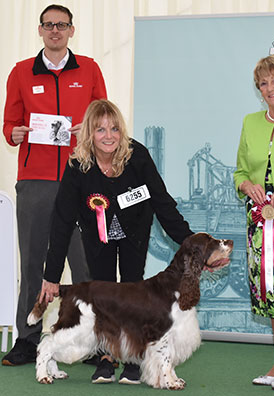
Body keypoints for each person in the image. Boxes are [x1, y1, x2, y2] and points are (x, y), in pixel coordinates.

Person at [39, 99, 194, 385]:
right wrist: (50, 276)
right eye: (100, 130)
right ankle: (107, 357)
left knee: (134, 289)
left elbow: (163, 204)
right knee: (103, 289)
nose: (108, 136)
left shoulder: (138, 157)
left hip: (135, 228)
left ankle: (133, 360)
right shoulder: (77, 165)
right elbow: (62, 221)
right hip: (97, 235)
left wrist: (191, 243)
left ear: (121, 131)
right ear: (89, 133)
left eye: (114, 129)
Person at [2, 4, 107, 366]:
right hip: (35, 182)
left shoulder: (90, 69)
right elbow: (9, 125)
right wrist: (13, 133)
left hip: (82, 180)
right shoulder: (19, 72)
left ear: (71, 30)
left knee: (86, 265)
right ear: (40, 30)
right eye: (48, 25)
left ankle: (94, 340)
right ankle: (28, 340)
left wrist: (91, 131)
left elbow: (105, 120)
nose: (55, 31)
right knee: (33, 263)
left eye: (61, 25)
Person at [234, 54, 274, 391]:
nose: (270, 87)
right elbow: (240, 172)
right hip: (260, 218)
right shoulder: (250, 122)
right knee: (270, 290)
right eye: (264, 82)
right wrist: (247, 185)